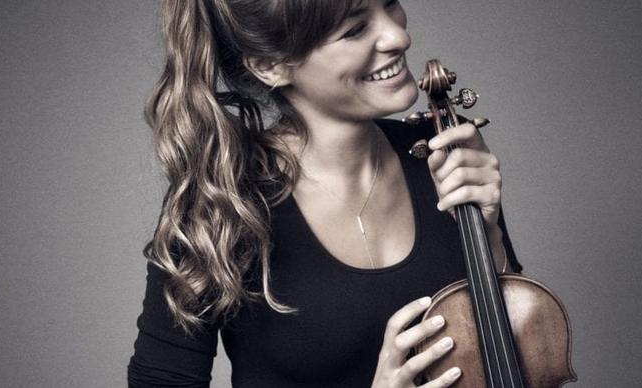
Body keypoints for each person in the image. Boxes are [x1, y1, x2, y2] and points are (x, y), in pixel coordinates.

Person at [128, 0, 522, 387]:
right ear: (271, 66)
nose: (399, 36)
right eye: (354, 29)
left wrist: (489, 236)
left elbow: (519, 345)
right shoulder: (218, 204)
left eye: (390, 4)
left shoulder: (443, 149)